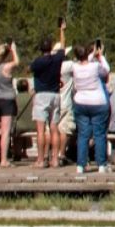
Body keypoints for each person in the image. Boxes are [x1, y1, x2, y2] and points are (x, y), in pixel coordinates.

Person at [67, 43, 112, 175]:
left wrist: (91, 55)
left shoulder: (74, 67)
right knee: (99, 134)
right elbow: (106, 70)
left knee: (83, 135)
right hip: (97, 101)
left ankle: (80, 165)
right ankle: (101, 164)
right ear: (88, 53)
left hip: (81, 101)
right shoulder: (95, 66)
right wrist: (101, 56)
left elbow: (82, 59)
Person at [29, 29, 69, 167]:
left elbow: (31, 69)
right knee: (54, 127)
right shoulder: (57, 59)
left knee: (40, 129)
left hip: (42, 95)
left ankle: (40, 159)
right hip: (55, 94)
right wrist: (62, 31)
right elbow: (63, 46)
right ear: (51, 47)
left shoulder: (38, 62)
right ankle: (55, 159)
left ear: (40, 49)